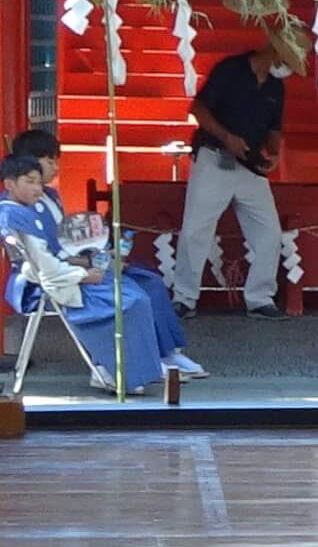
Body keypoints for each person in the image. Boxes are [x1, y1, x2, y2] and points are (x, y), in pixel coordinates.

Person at [11, 128, 204, 378]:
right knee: (132, 296)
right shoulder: (17, 208)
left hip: (73, 264)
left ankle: (165, 352)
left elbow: (64, 241)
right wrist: (89, 266)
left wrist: (100, 257)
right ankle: (125, 362)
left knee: (151, 282)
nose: (56, 168)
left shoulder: (50, 196)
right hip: (53, 277)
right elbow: (43, 259)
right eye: (50, 161)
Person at [170, 17, 307, 321]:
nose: (286, 68)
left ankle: (260, 298)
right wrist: (226, 137)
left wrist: (274, 153)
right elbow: (198, 109)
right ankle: (184, 298)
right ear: (274, 52)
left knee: (269, 231)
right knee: (196, 229)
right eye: (287, 60)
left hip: (250, 166)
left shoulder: (276, 87)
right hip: (215, 157)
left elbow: (274, 129)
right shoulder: (230, 70)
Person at [2, 153, 165, 392]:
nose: (37, 188)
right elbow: (41, 265)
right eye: (29, 182)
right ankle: (109, 368)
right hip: (46, 282)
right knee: (130, 301)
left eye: (38, 182)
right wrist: (83, 275)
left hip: (58, 274)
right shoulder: (13, 214)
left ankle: (128, 369)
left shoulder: (20, 210)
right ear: (9, 184)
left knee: (135, 291)